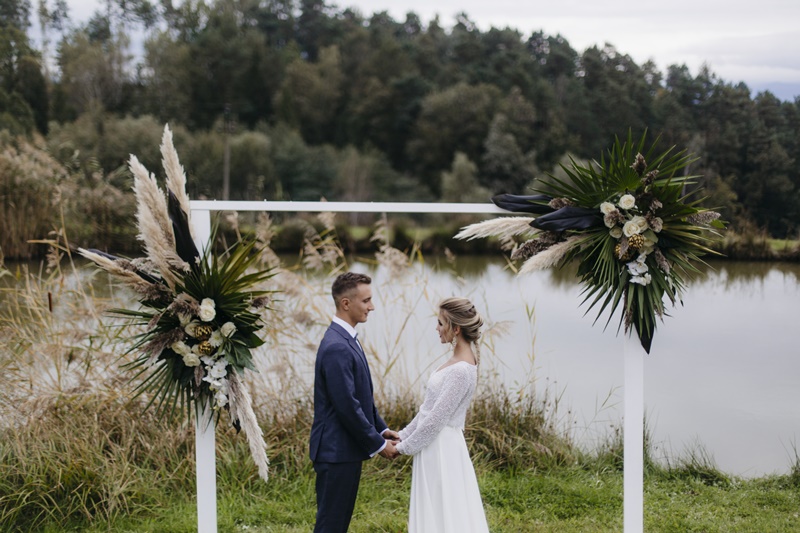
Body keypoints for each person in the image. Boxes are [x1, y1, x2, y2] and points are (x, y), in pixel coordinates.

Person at [309, 272, 400, 533]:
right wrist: (379, 444)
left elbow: (361, 398)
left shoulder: (346, 338)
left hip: (342, 450)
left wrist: (381, 429)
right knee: (331, 525)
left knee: (337, 523)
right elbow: (347, 406)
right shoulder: (337, 345)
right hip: (335, 452)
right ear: (346, 303)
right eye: (366, 300)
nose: (372, 306)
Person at [393, 297, 490, 533]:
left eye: (440, 323)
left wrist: (401, 449)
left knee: (445, 508)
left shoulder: (461, 370)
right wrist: (402, 434)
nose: (436, 329)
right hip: (433, 445)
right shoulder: (456, 361)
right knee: (436, 508)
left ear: (455, 329)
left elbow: (436, 420)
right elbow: (428, 409)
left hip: (442, 448)